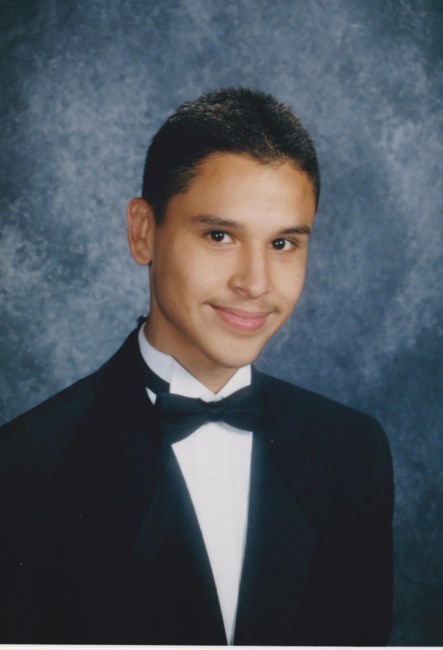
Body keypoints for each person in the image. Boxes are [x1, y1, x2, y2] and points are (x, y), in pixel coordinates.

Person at [0, 88, 393, 645]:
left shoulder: (353, 451)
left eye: (283, 243)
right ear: (143, 232)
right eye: (219, 235)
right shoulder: (24, 469)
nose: (254, 283)